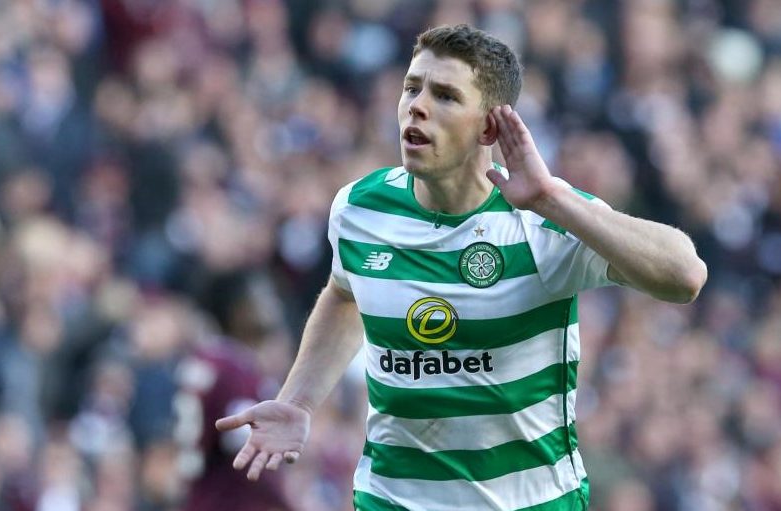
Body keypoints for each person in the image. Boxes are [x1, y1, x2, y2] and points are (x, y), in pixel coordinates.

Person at [216, 24, 708, 511]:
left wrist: (552, 198)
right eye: (412, 87)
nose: (417, 106)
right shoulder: (360, 208)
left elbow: (685, 276)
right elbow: (345, 294)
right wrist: (299, 401)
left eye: (446, 96)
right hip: (393, 500)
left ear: (488, 128)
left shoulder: (542, 220)